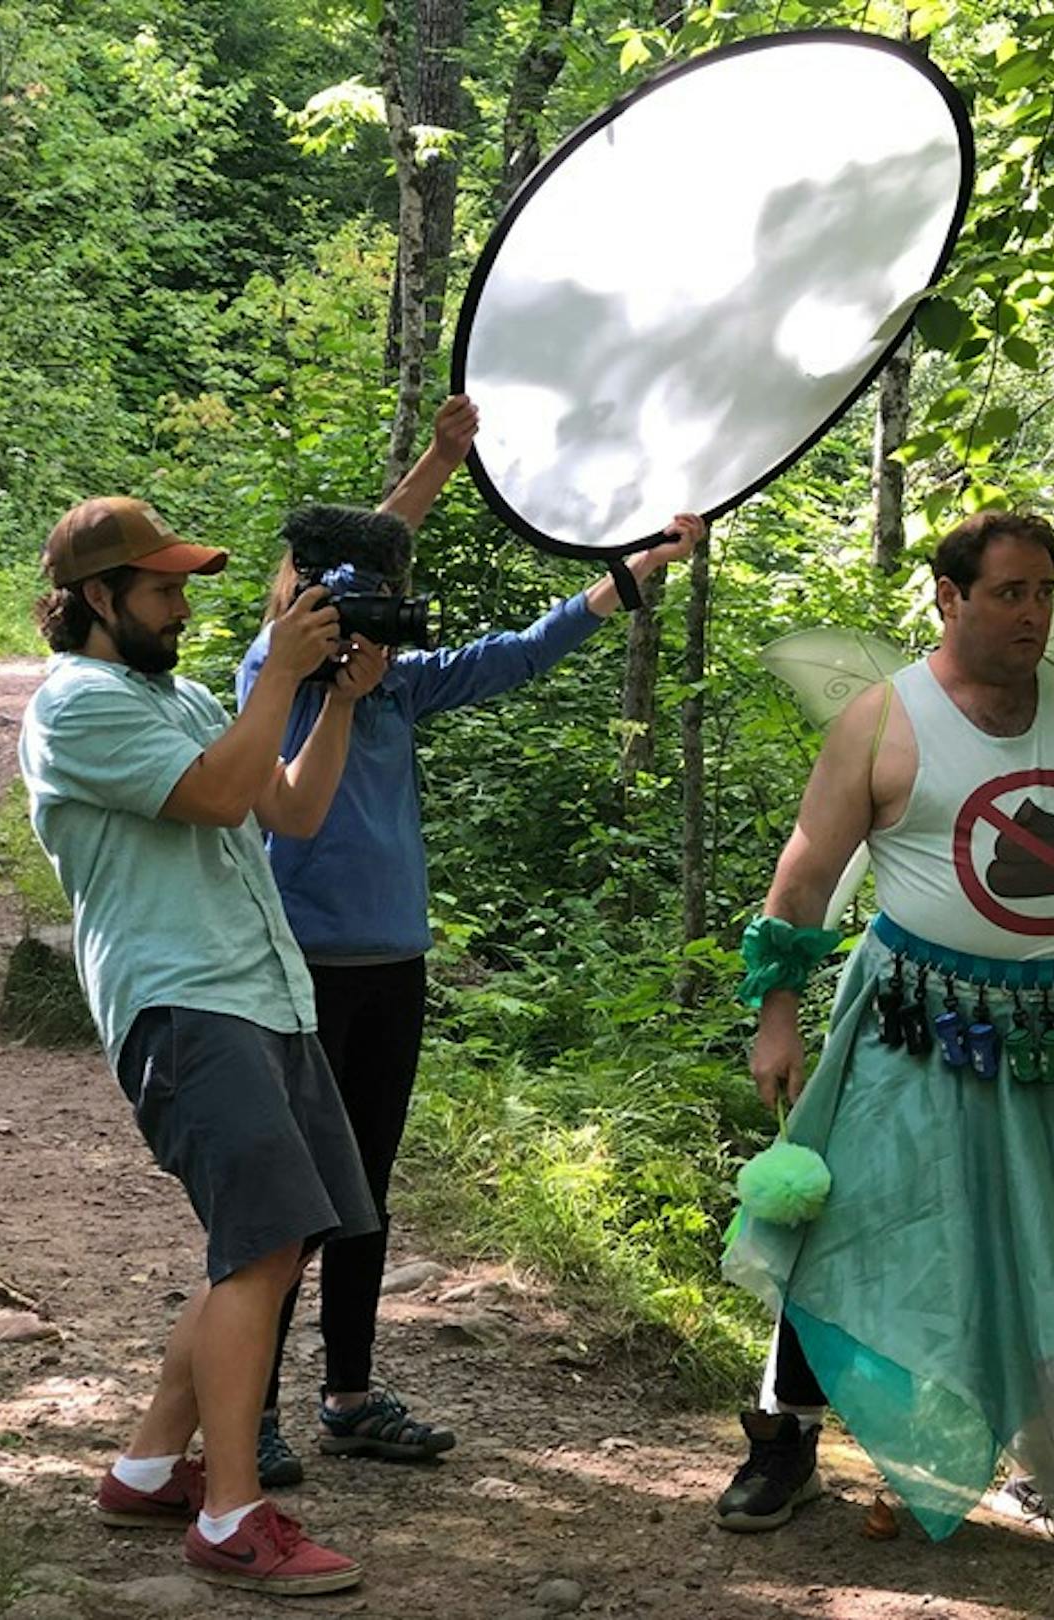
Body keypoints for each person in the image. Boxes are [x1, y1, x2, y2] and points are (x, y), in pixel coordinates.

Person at [719, 510, 1054, 1550]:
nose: (1034, 614)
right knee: (850, 1228)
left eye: (1044, 592)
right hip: (919, 1026)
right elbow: (807, 873)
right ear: (948, 598)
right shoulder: (882, 718)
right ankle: (782, 1444)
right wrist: (778, 1017)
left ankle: (1053, 1472)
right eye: (1009, 593)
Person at [233, 395, 706, 1484]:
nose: (378, 620)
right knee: (287, 1200)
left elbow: (527, 649)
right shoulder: (278, 675)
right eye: (356, 603)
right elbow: (349, 559)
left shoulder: (398, 684)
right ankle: (246, 1410)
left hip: (393, 964)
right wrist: (435, 471)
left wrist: (638, 569)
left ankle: (346, 1396)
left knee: (363, 1193)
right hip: (297, 965)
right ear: (308, 602)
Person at [19, 495, 386, 1594]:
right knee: (262, 1245)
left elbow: (288, 810)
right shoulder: (76, 707)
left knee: (280, 1242)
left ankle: (146, 1467)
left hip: (263, 996)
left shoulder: (170, 695)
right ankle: (230, 1517)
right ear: (97, 598)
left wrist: (336, 705)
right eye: (163, 590)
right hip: (184, 1002)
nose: (183, 610)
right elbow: (223, 796)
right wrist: (276, 665)